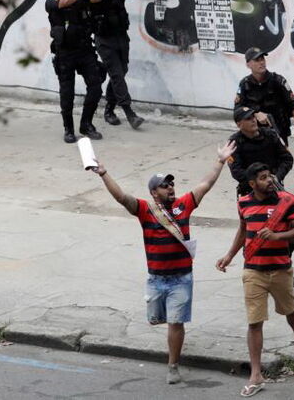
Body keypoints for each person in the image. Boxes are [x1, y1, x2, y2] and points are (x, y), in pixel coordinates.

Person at [91, 139, 236, 385]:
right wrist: (104, 174)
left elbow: (206, 184)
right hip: (156, 279)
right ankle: (174, 343)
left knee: (175, 322)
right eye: (164, 185)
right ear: (153, 192)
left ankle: (173, 365)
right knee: (157, 319)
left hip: (181, 278)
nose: (170, 187)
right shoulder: (145, 209)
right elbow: (121, 197)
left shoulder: (184, 205)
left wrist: (220, 161)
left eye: (171, 184)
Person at [216, 163, 294, 397]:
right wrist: (229, 255)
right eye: (263, 178)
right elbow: (242, 230)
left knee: (290, 310)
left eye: (269, 176)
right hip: (253, 271)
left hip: (280, 269)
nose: (269, 181)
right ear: (252, 184)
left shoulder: (286, 202)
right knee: (255, 322)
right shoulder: (243, 203)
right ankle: (256, 375)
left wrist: (278, 236)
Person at [228, 106, 294, 287]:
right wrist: (256, 181)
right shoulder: (234, 143)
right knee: (253, 234)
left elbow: (287, 159)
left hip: (275, 192)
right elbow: (236, 171)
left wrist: (276, 177)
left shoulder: (270, 135)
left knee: (288, 231)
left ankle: (283, 268)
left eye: (253, 117)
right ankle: (254, 272)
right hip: (250, 193)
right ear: (239, 124)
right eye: (247, 118)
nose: (253, 120)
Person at [86, 0, 145, 129]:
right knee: (117, 74)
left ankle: (109, 109)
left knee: (121, 71)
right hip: (104, 38)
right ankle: (129, 113)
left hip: (120, 35)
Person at [46, 0, 104, 143]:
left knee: (96, 86)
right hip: (65, 52)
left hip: (84, 49)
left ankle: (86, 124)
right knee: (67, 93)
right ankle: (68, 129)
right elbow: (64, 2)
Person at [235, 47, 294, 147]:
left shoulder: (278, 81)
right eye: (257, 60)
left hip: (278, 132)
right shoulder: (245, 84)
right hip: (255, 133)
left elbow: (293, 104)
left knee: (283, 156)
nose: (261, 62)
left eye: (262, 59)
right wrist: (255, 113)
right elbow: (238, 109)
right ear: (248, 64)